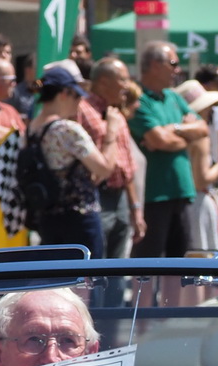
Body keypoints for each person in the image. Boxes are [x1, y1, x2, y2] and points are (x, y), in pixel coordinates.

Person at [129, 41, 207, 257]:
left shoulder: (173, 97)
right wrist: (186, 135)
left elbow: (202, 128)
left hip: (181, 192)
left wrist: (175, 129)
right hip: (153, 196)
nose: (177, 69)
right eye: (173, 63)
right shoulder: (139, 101)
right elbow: (159, 140)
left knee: (179, 266)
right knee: (145, 268)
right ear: (155, 65)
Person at [26, 66, 112, 258]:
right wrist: (111, 134)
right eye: (76, 96)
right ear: (64, 93)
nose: (79, 102)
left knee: (58, 283)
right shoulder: (68, 129)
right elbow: (104, 168)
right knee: (88, 282)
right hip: (80, 218)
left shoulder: (31, 129)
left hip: (47, 217)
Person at [82, 57, 141, 258]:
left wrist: (135, 208)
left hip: (120, 197)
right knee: (96, 264)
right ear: (104, 82)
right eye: (122, 79)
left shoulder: (116, 113)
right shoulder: (83, 111)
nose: (127, 86)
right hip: (97, 195)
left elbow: (127, 167)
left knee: (116, 266)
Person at [175, 79, 218, 252]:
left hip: (182, 201)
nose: (210, 111)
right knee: (202, 261)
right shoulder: (200, 137)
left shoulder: (178, 135)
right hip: (199, 203)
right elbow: (202, 180)